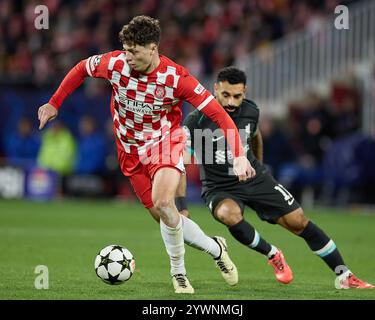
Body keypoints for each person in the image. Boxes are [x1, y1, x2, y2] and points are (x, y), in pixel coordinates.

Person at [37, 16, 255, 294]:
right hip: (129, 152)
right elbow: (81, 69)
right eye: (126, 50)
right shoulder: (115, 63)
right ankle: (216, 248)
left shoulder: (176, 78)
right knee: (167, 218)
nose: (128, 57)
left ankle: (178, 274)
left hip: (165, 144)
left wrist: (238, 154)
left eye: (134, 52)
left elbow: (217, 113)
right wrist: (54, 103)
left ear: (153, 48)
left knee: (164, 203)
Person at [177, 66, 374, 289]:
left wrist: (259, 166)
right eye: (225, 95)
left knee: (298, 221)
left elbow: (255, 134)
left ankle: (344, 276)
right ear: (215, 89)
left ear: (245, 92)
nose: (231, 102)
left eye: (237, 96)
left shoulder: (251, 111)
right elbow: (180, 163)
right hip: (219, 186)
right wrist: (181, 205)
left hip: (256, 179)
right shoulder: (195, 121)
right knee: (228, 214)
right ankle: (272, 254)